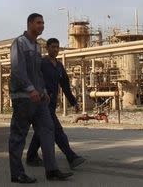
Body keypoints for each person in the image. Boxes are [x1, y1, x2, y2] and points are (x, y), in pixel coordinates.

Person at [9, 13, 73, 183]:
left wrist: (42, 89)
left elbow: (37, 72)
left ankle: (51, 170)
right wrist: (30, 89)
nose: (42, 26)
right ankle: (17, 173)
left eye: (43, 23)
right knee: (18, 135)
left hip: (39, 98)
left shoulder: (37, 46)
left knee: (47, 129)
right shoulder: (19, 43)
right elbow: (17, 69)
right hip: (23, 97)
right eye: (39, 23)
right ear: (30, 23)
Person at [26, 38, 86, 169]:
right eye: (53, 47)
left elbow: (65, 86)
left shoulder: (59, 66)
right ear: (47, 48)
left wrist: (74, 102)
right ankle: (71, 157)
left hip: (51, 105)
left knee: (42, 131)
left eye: (57, 47)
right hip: (41, 103)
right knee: (56, 130)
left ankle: (31, 156)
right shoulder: (41, 63)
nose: (55, 49)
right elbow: (34, 79)